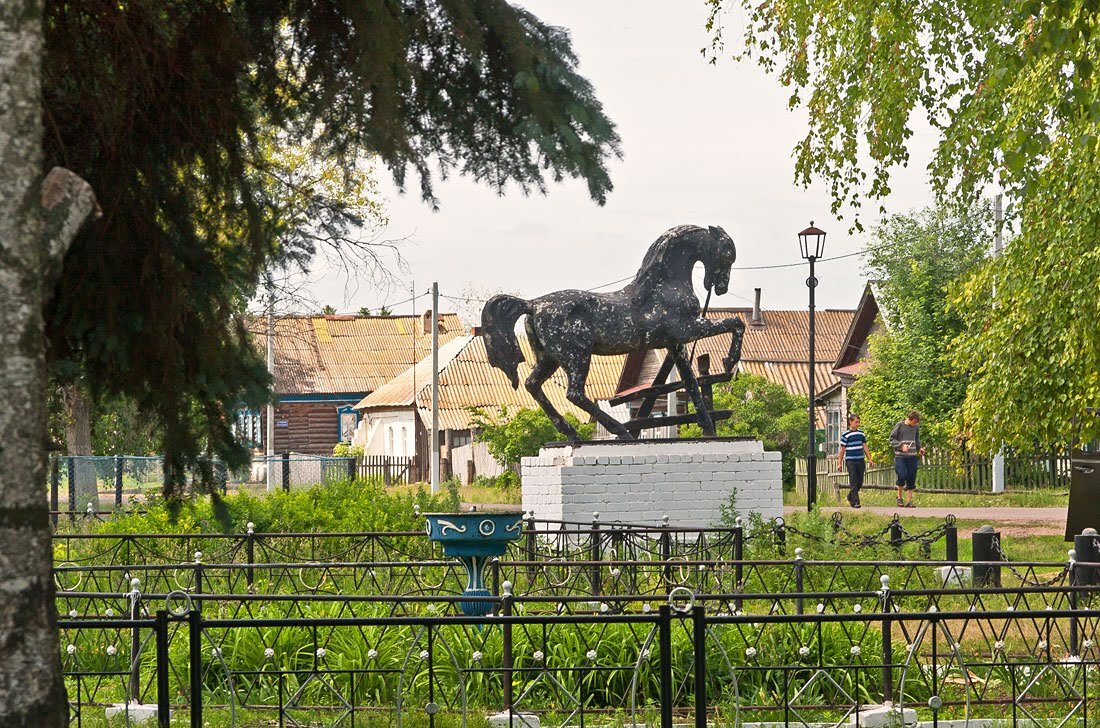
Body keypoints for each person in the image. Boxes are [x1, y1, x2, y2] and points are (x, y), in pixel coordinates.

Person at [890, 410, 926, 507]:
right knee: (902, 475)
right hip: (900, 456)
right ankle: (899, 497)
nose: (915, 424)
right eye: (914, 422)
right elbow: (892, 439)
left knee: (911, 477)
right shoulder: (900, 425)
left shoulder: (916, 427)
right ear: (910, 419)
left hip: (912, 456)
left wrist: (920, 448)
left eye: (917, 423)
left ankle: (909, 501)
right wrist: (901, 446)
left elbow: (917, 439)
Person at [838, 414, 873, 508]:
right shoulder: (845, 434)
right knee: (853, 480)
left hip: (860, 459)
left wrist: (869, 458)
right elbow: (842, 449)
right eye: (855, 422)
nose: (857, 424)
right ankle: (856, 501)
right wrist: (839, 463)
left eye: (858, 422)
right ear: (850, 422)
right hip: (851, 461)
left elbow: (864, 446)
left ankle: (850, 496)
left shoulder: (861, 433)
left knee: (859, 481)